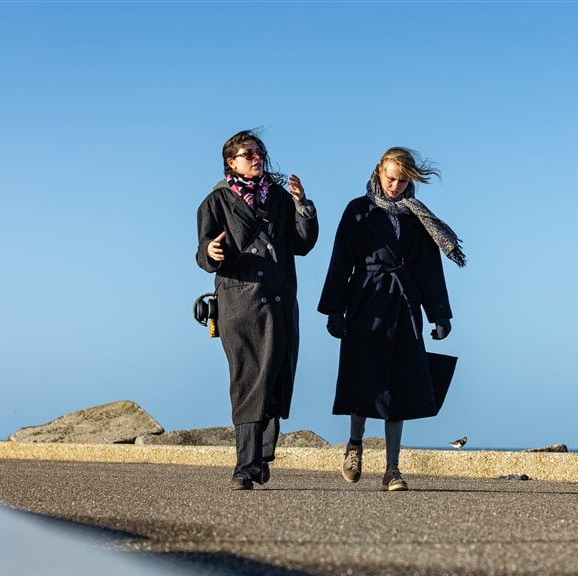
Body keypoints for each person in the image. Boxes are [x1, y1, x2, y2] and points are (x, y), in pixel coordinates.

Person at [318, 147, 464, 491]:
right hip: (366, 301)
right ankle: (355, 445)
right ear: (378, 172)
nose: (395, 186)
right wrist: (335, 310)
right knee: (362, 380)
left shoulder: (418, 216)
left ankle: (392, 469)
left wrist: (439, 314)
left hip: (405, 305)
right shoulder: (358, 210)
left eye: (402, 180)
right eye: (390, 178)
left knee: (399, 386)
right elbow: (341, 260)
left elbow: (428, 268)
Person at [196, 129, 319, 490]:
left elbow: (302, 244)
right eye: (247, 154)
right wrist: (211, 253)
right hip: (240, 300)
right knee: (248, 379)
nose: (255, 158)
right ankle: (245, 466)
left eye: (258, 152)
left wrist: (302, 205)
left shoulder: (280, 197)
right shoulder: (215, 202)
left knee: (276, 376)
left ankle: (263, 453)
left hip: (279, 298)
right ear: (230, 162)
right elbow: (203, 250)